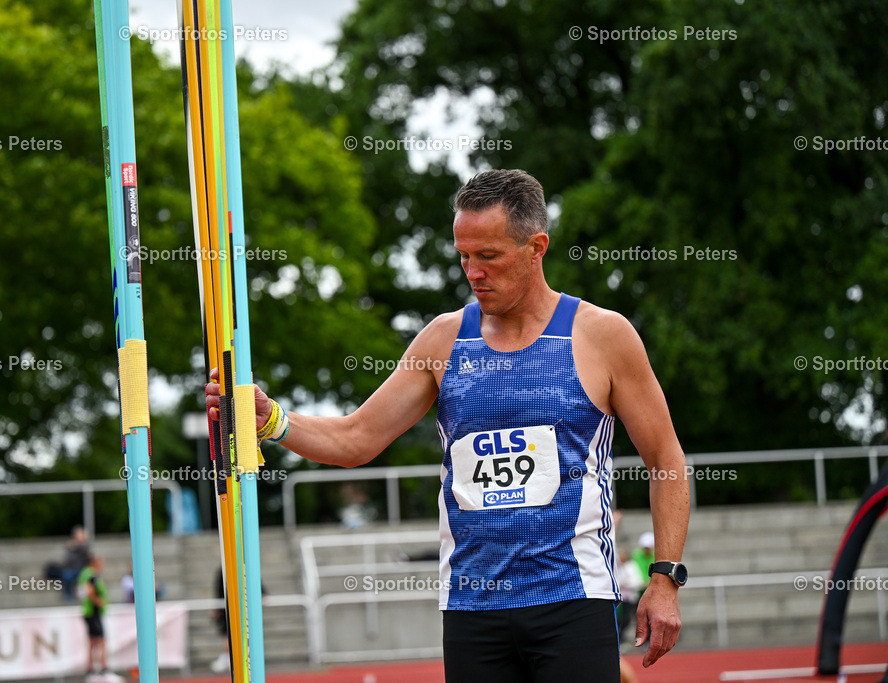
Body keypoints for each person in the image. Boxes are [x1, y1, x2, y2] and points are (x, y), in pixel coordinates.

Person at [205, 169, 690, 681]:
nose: (472, 272)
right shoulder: (443, 341)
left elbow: (666, 458)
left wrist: (665, 577)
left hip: (572, 599)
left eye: (488, 256)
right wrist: (271, 419)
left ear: (536, 247)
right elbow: (355, 439)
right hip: (472, 607)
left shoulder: (601, 336)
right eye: (463, 256)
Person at [78, 554, 109, 679]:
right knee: (101, 641)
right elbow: (89, 589)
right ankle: (104, 668)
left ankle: (90, 669)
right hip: (93, 612)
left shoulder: (84, 574)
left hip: (88, 611)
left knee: (92, 641)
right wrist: (98, 601)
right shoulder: (91, 575)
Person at [62, 525, 91, 602]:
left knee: (88, 576)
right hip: (73, 569)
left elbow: (87, 556)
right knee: (67, 575)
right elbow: (69, 559)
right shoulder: (71, 547)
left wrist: (79, 546)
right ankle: (68, 596)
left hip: (83, 569)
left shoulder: (85, 546)